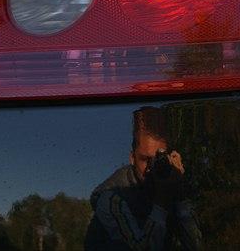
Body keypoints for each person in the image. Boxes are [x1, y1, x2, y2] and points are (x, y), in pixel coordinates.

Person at [85, 107, 202, 250]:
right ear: (132, 158)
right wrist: (162, 200)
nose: (151, 168)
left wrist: (180, 193)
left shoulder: (172, 184)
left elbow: (196, 246)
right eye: (145, 159)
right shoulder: (112, 197)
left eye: (158, 159)